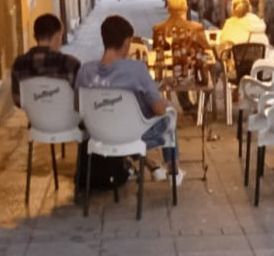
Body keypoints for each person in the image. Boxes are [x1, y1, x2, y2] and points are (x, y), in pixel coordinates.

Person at [77, 15, 184, 185]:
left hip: (98, 135)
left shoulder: (85, 71)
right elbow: (158, 110)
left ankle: (152, 166)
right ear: (127, 43)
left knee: (123, 120)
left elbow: (79, 108)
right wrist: (167, 104)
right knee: (168, 116)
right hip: (130, 135)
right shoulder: (136, 70)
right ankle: (173, 171)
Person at [11, 14, 81, 107]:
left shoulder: (19, 64)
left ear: (35, 36)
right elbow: (81, 100)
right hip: (67, 120)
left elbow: (18, 101)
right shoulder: (71, 64)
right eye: (61, 36)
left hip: (35, 120)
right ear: (57, 36)